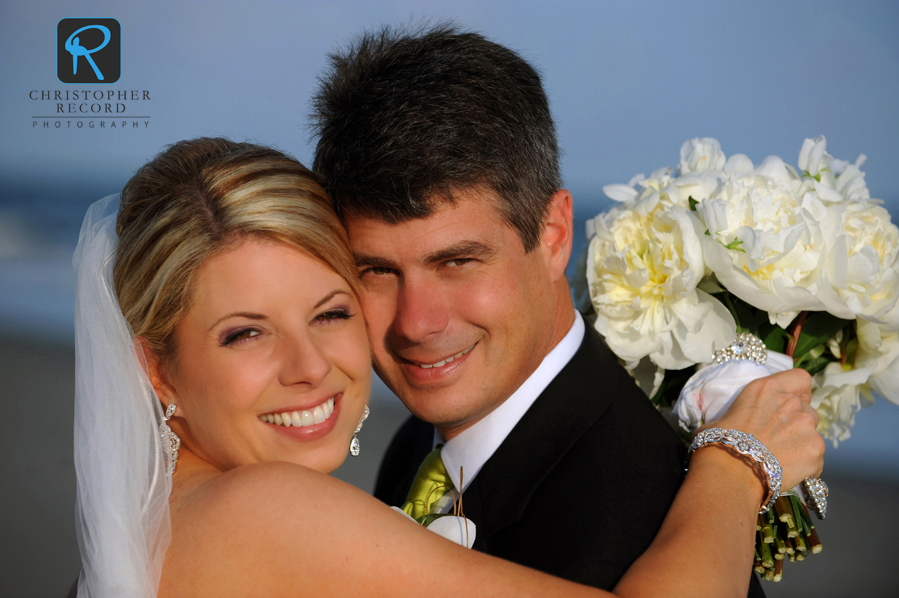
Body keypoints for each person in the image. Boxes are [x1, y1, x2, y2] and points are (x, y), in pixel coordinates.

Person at [72, 137, 823, 598]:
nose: (308, 368)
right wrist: (737, 460)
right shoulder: (258, 513)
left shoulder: (151, 526)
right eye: (244, 334)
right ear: (157, 367)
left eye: (331, 313)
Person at [309, 24, 787, 595]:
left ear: (555, 234)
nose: (416, 324)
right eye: (377, 272)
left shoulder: (628, 525)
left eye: (457, 262)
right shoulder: (421, 442)